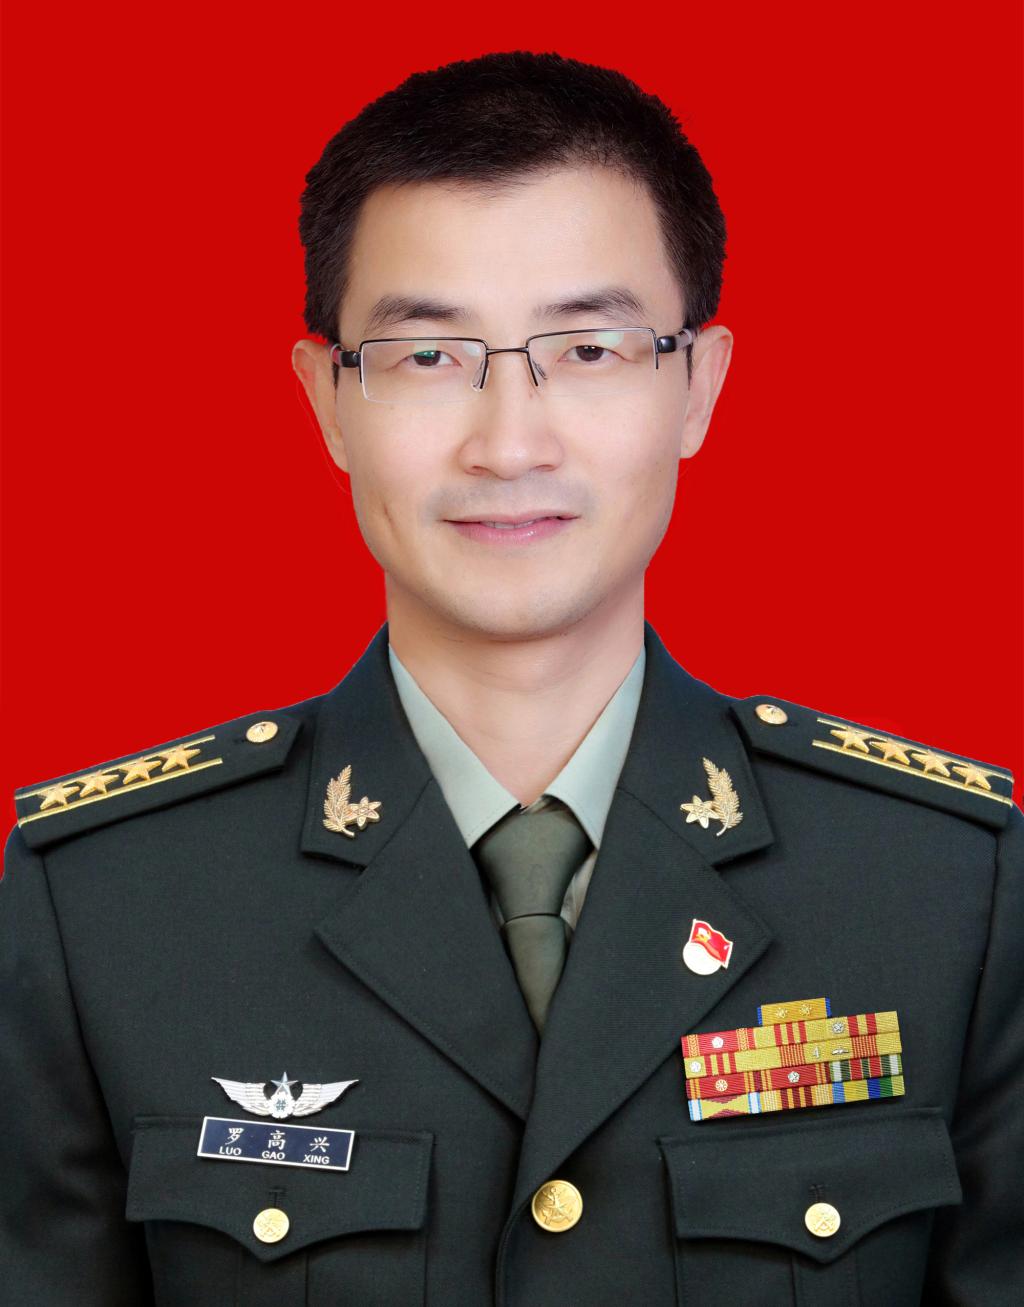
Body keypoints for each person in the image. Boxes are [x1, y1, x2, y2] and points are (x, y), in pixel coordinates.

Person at [1, 49, 1020, 1307]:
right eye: (428, 357)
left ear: (697, 384)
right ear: (328, 401)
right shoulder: (106, 902)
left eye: (587, 348)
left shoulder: (946, 888)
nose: (508, 442)